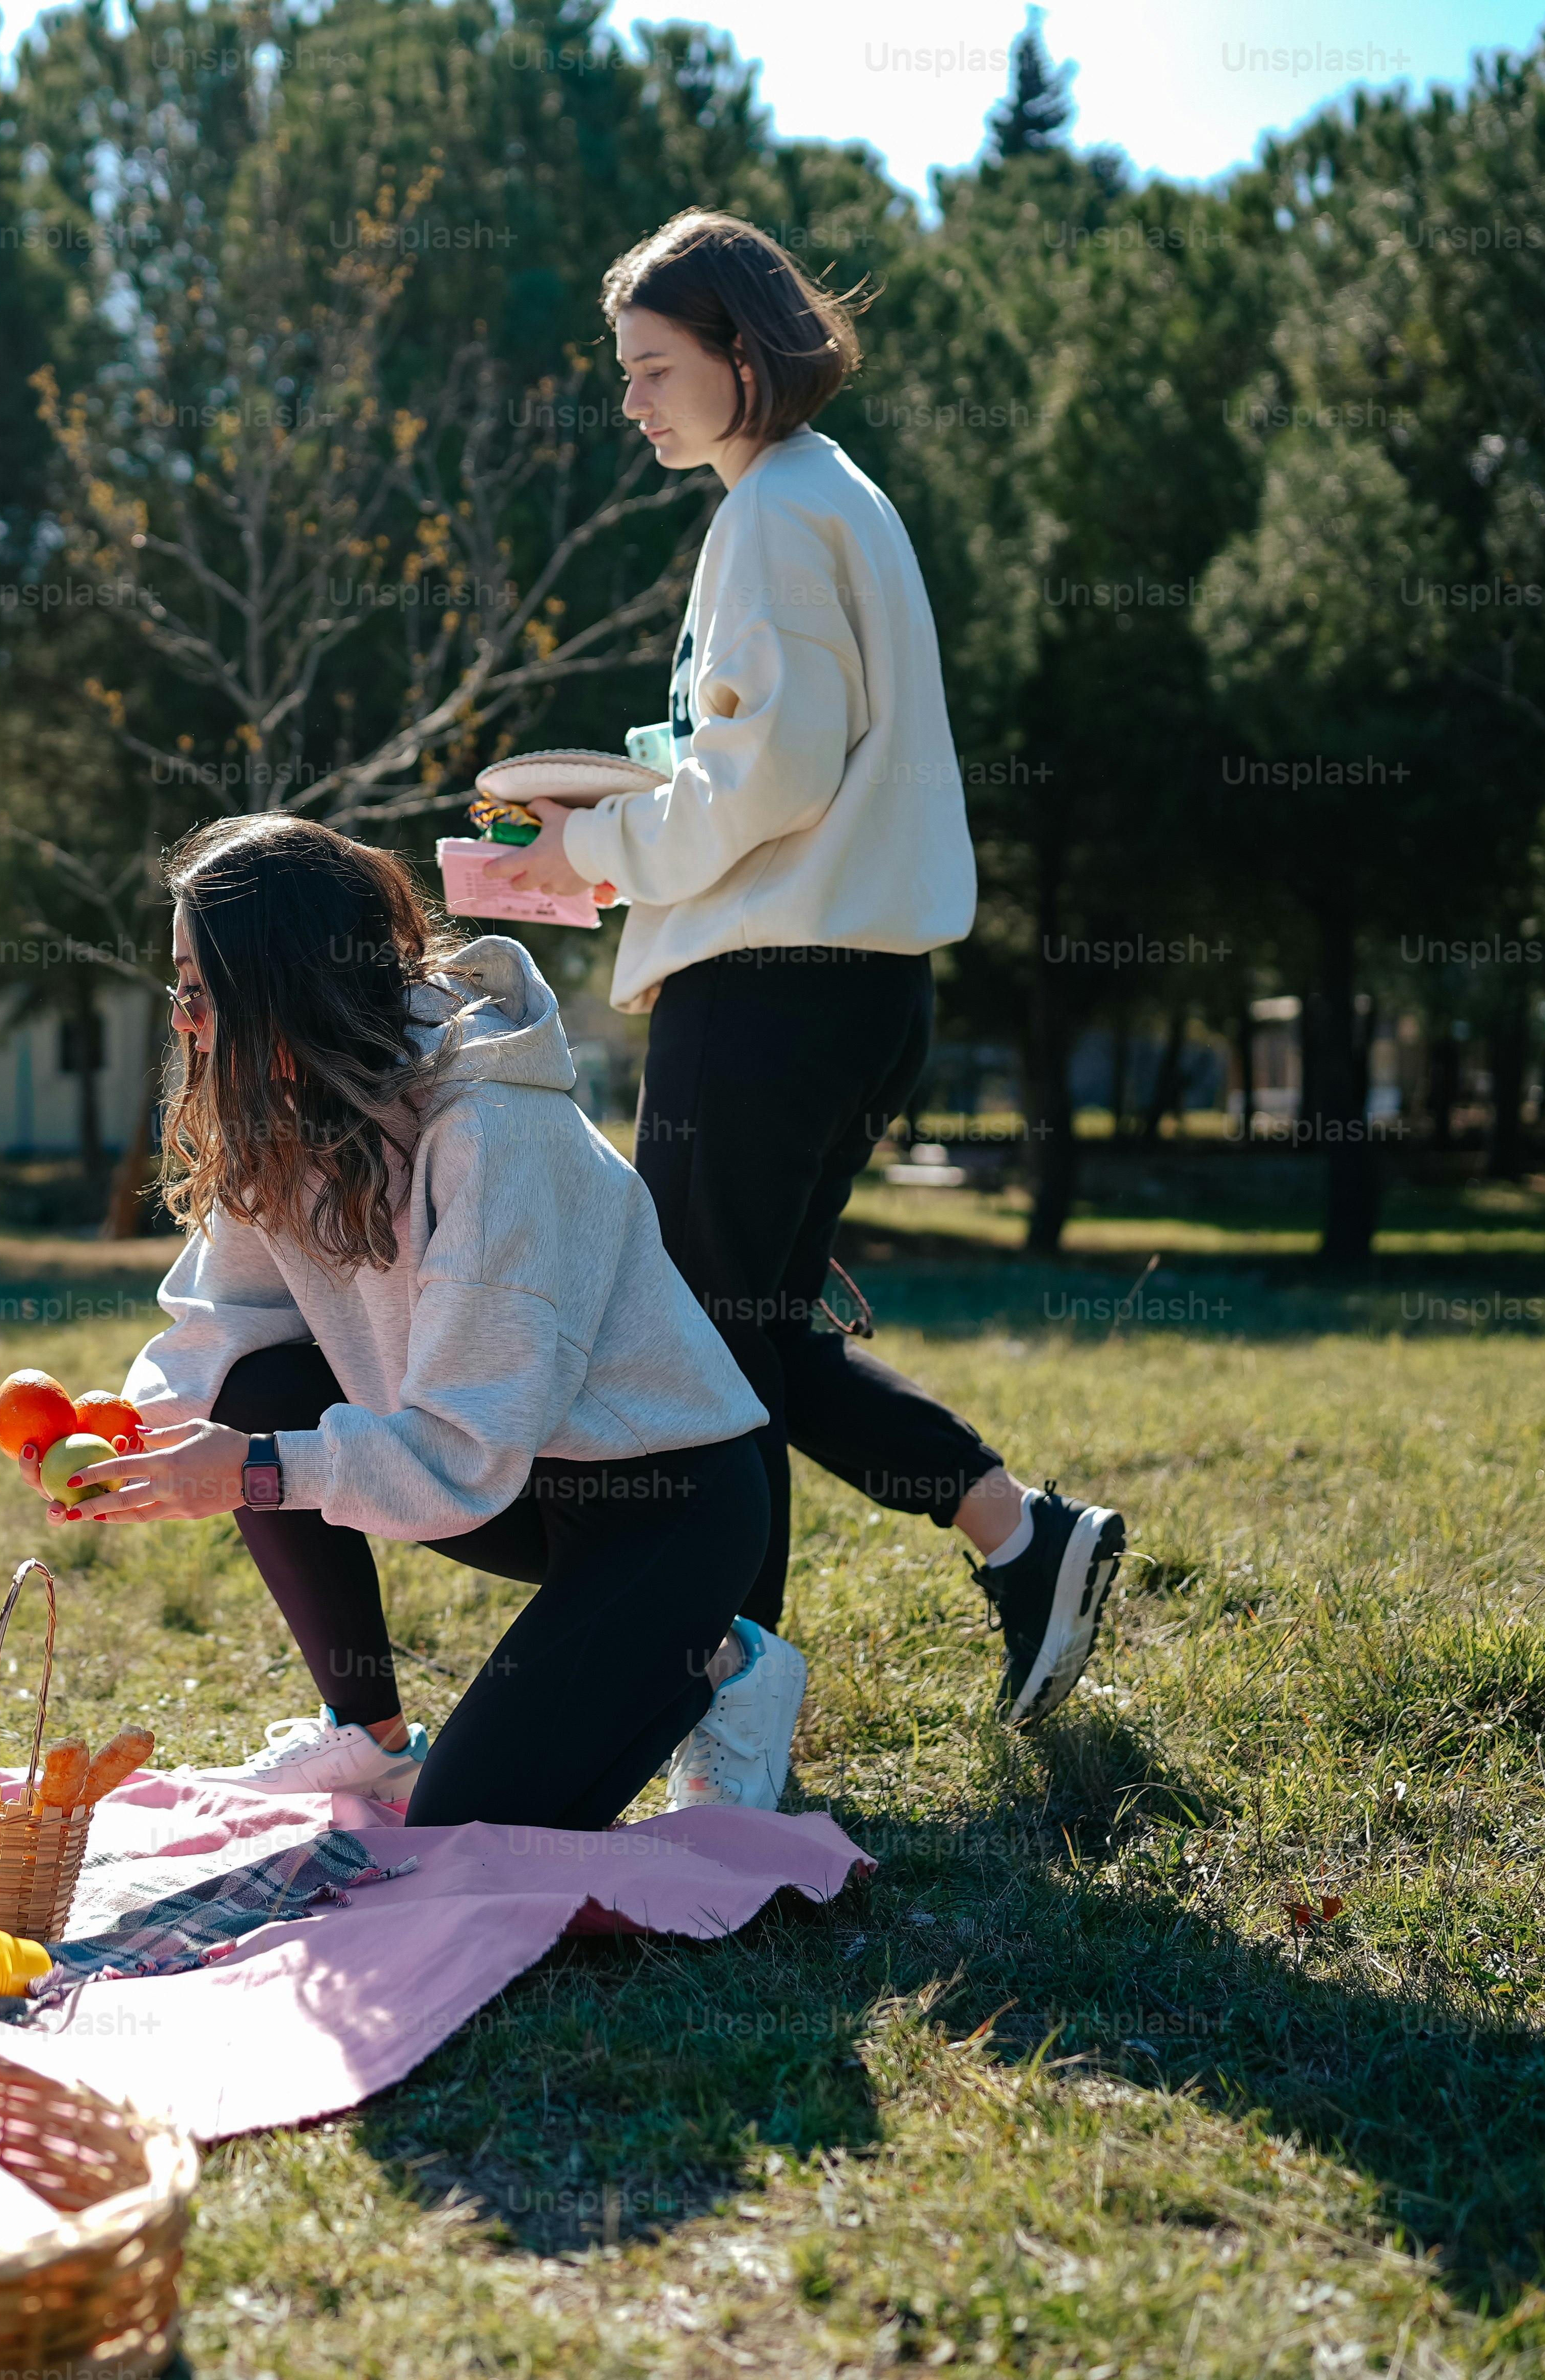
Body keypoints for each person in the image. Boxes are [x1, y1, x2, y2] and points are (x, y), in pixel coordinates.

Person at [490, 208, 1126, 1729]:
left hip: (775, 988)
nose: (631, 401)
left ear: (740, 355)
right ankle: (1007, 1549)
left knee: (702, 1352)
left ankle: (739, 1685)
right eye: (625, 373)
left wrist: (585, 854)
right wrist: (624, 816)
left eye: (653, 370)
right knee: (750, 1335)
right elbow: (770, 762)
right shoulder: (824, 500)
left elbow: (765, 780)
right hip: (850, 985)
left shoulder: (775, 512)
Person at [47, 812, 804, 1828]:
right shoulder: (287, 1105)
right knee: (249, 1383)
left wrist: (247, 1468)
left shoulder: (492, 1129)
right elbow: (218, 1321)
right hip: (508, 1484)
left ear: (283, 987)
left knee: (468, 1832)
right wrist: (125, 1441)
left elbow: (460, 1449)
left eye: (197, 989)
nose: (183, 1020)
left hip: (659, 1503)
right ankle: (369, 1737)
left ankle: (726, 1655)